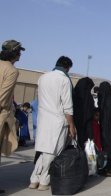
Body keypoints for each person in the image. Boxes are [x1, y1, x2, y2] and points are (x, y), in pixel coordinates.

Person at [30, 56, 76, 191]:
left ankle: (34, 179)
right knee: (53, 152)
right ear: (67, 67)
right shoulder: (64, 80)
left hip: (43, 119)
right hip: (58, 120)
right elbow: (67, 106)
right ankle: (44, 181)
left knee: (43, 151)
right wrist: (72, 125)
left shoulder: (43, 77)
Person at [0, 40, 24, 171]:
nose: (20, 54)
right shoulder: (11, 71)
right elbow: (2, 98)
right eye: (19, 51)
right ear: (14, 53)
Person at [73, 77, 95, 147]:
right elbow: (90, 114)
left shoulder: (73, 94)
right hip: (85, 128)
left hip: (73, 125)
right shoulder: (88, 98)